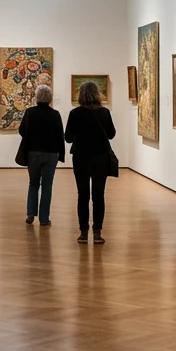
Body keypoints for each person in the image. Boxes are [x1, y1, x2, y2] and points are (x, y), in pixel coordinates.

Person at [65, 81, 116, 244]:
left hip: (80, 157)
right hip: (100, 157)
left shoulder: (75, 113)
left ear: (80, 94)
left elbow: (68, 138)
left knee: (83, 195)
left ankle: (83, 232)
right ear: (97, 94)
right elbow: (111, 134)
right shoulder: (105, 113)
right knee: (99, 195)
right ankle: (97, 232)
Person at [18, 84, 65, 227]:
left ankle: (31, 214)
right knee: (47, 185)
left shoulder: (30, 112)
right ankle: (44, 219)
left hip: (34, 153)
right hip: (51, 154)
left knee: (33, 183)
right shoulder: (55, 114)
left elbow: (22, 131)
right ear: (50, 98)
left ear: (37, 97)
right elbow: (60, 135)